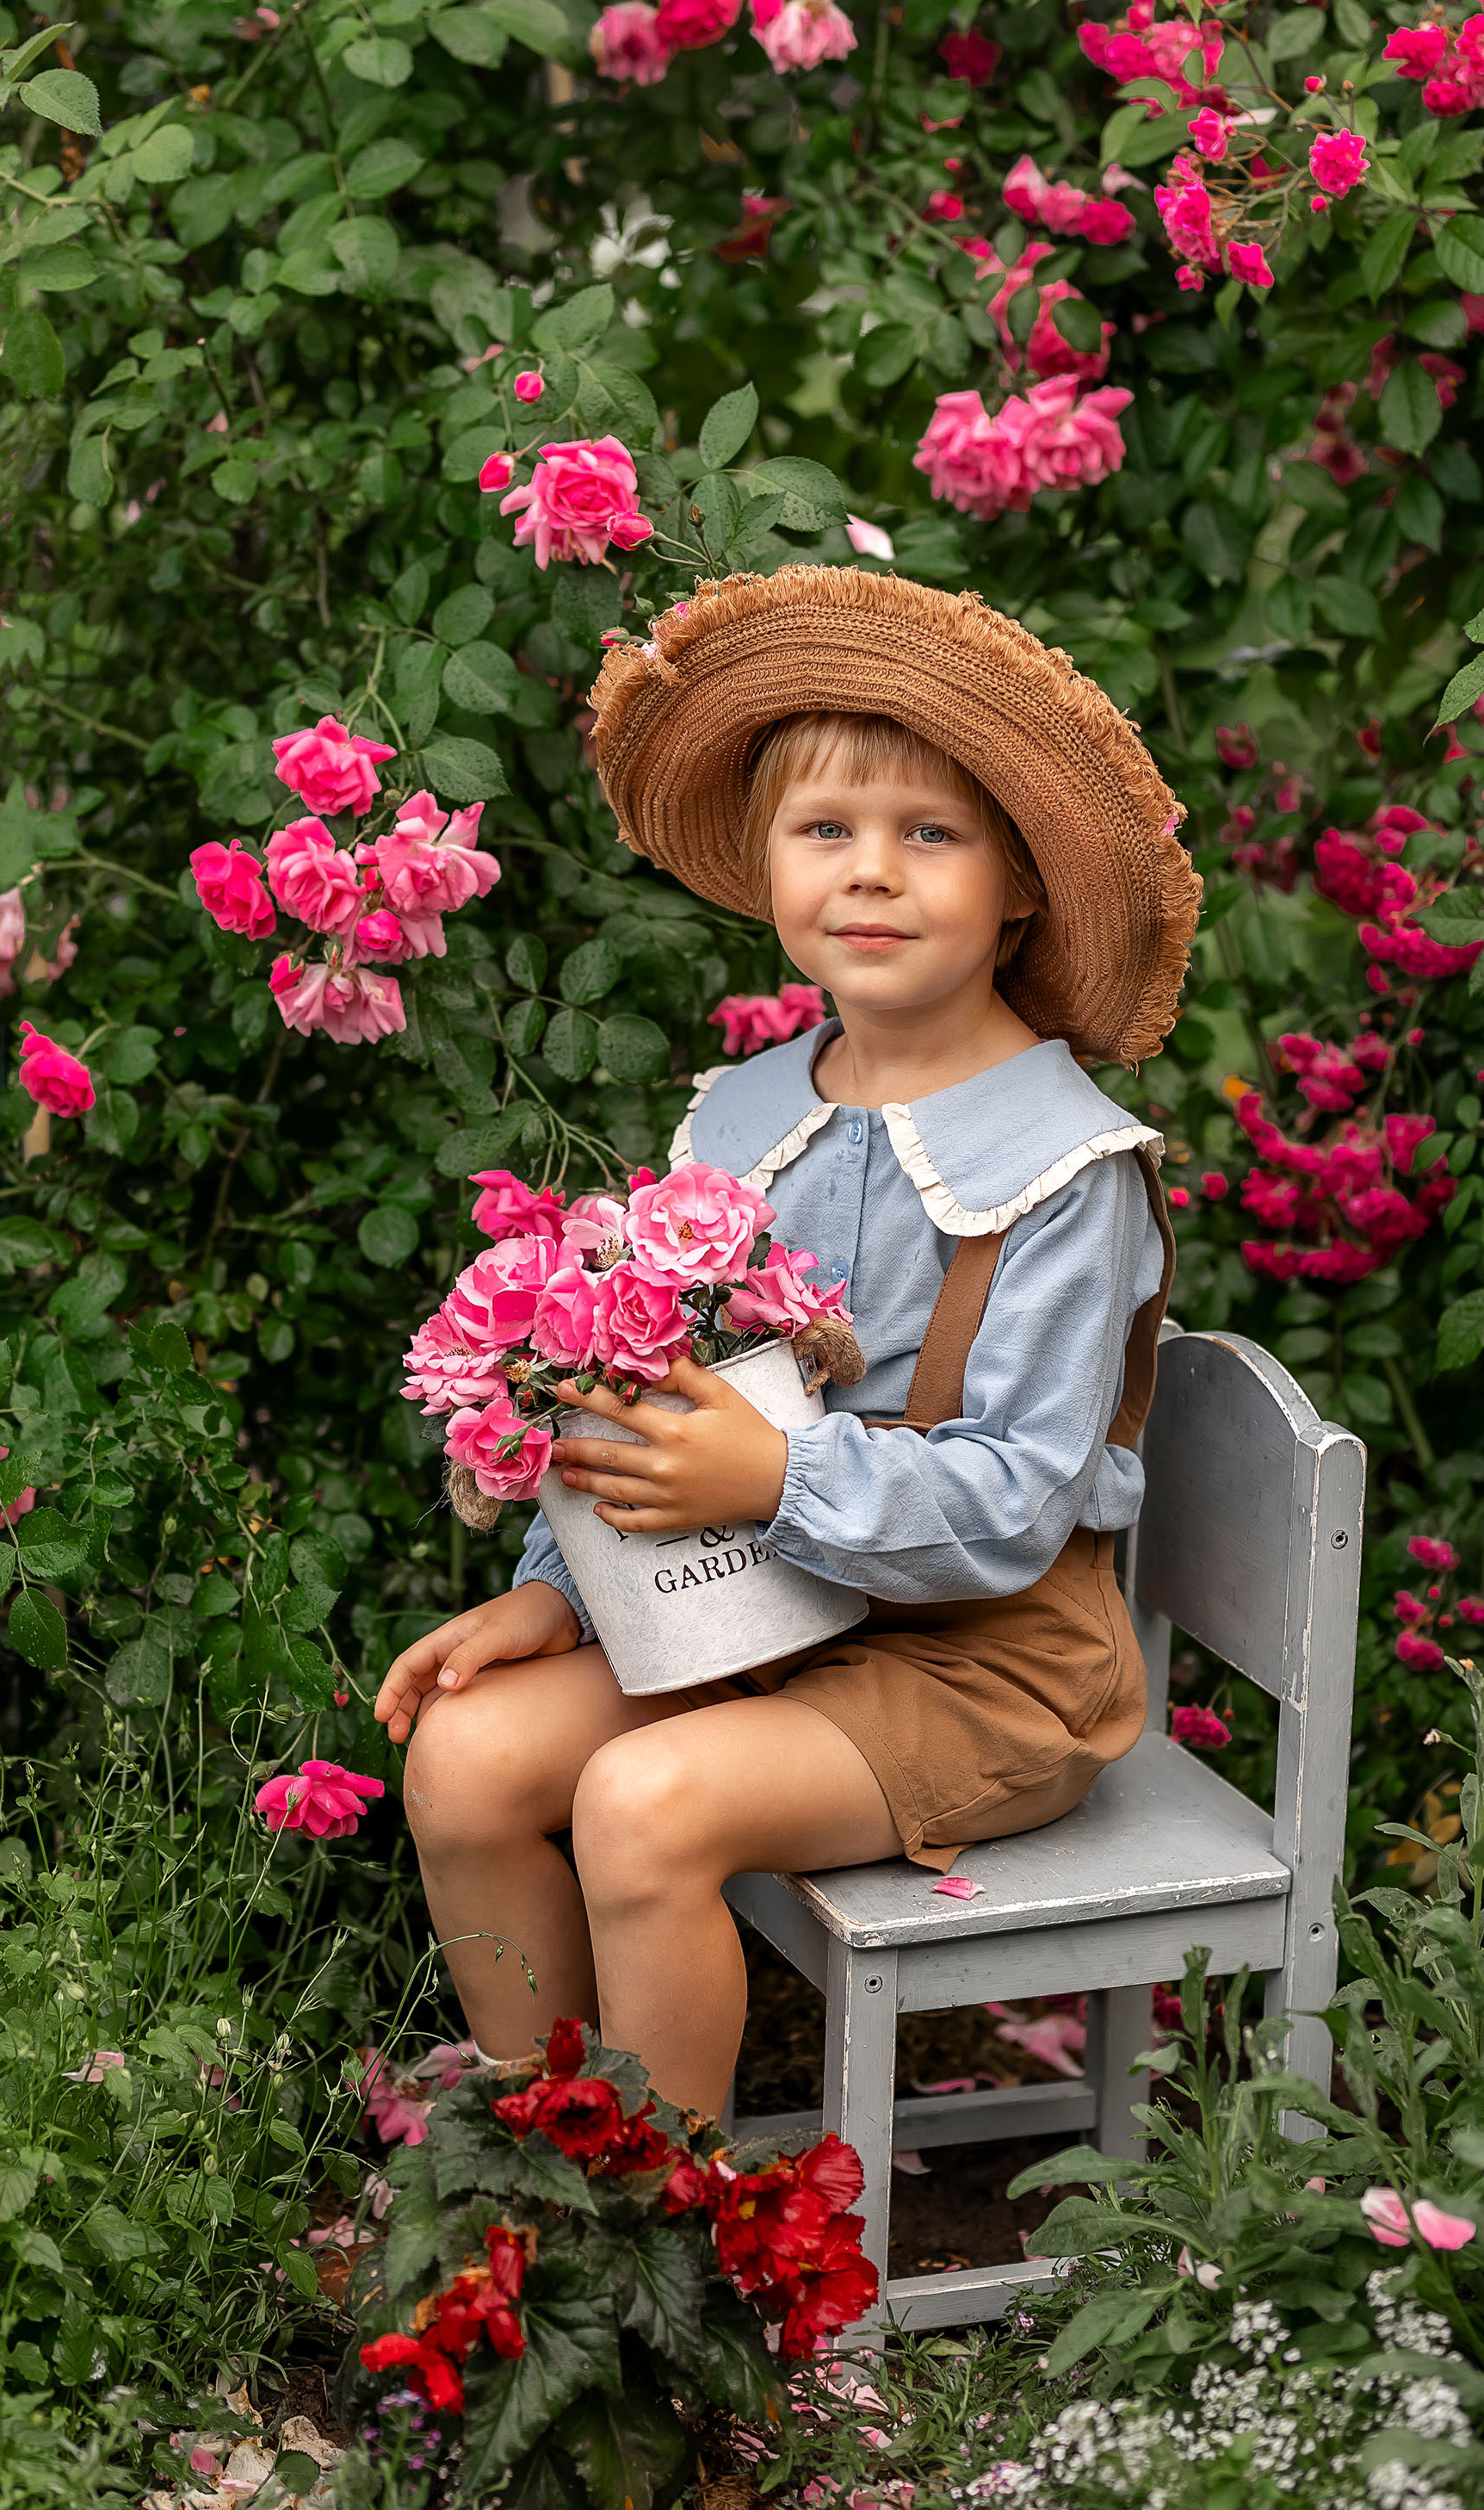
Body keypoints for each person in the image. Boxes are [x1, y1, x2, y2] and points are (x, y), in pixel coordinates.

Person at [374, 565, 1200, 2116]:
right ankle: (531, 2142)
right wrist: (558, 1595)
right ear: (769, 868)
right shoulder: (748, 1116)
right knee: (465, 1758)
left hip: (990, 1667)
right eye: (826, 831)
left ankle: (655, 2208)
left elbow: (1019, 1502)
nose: (870, 873)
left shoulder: (1064, 1170)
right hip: (753, 1611)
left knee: (644, 1801)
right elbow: (646, 1390)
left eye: (929, 835)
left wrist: (772, 1477)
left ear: (1020, 884)